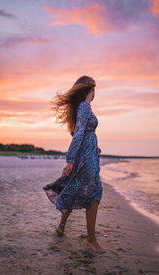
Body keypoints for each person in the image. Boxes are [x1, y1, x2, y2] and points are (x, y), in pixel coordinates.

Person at [43, 75, 104, 252]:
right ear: (91, 90)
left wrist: (94, 147)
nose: (95, 93)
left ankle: (61, 226)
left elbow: (83, 133)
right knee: (94, 191)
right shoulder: (84, 107)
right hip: (84, 157)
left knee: (76, 187)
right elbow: (77, 134)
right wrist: (70, 160)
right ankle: (91, 239)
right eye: (94, 90)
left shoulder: (83, 108)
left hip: (88, 154)